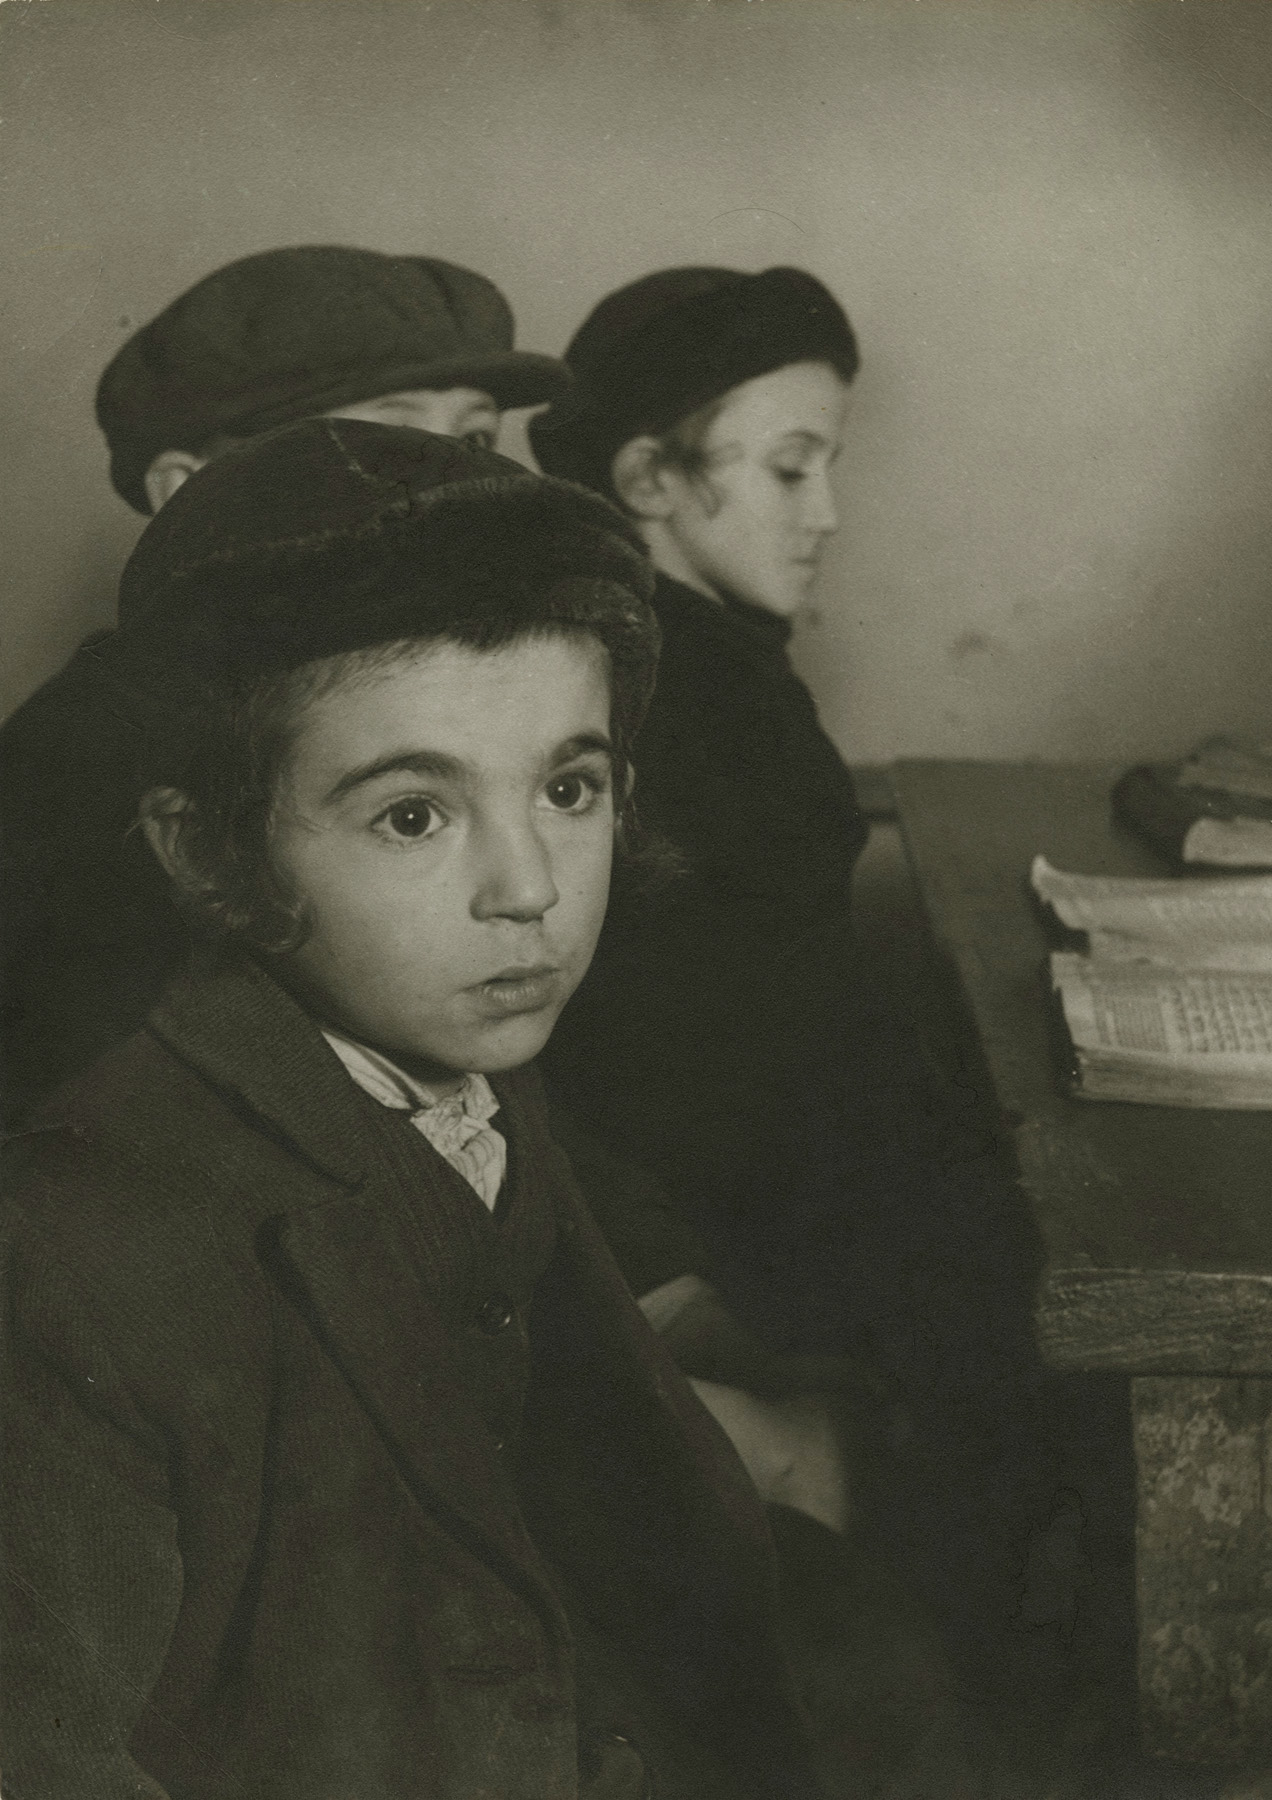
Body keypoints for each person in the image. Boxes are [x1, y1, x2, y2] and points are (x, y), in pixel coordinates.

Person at [0, 417, 823, 1800]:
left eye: (570, 788)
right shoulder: (74, 1253)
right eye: (411, 817)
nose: (529, 886)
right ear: (206, 849)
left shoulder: (467, 1074)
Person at [530, 266, 1054, 1671]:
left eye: (827, 467)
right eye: (787, 468)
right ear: (649, 473)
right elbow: (680, 1053)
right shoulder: (655, 686)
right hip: (717, 1226)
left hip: (756, 1191)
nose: (825, 515)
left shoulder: (703, 657)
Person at [2, 244, 571, 1123]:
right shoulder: (81, 762)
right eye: (387, 447)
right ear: (186, 492)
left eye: (475, 440)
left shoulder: (478, 709)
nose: (461, 484)